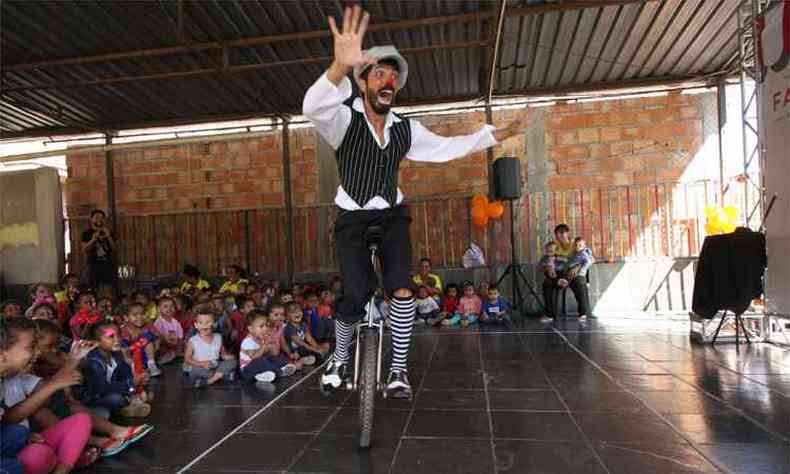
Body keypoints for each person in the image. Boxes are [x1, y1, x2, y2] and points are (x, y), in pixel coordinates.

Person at [304, 5, 526, 398]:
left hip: (392, 215)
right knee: (354, 293)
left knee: (402, 290)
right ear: (363, 83)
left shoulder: (406, 129)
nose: (387, 80)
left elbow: (446, 147)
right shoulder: (343, 120)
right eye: (379, 73)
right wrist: (338, 66)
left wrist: (494, 136)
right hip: (352, 218)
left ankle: (399, 371)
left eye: (393, 76)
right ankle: (339, 357)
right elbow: (313, 108)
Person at [77, 322, 151, 418]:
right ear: (96, 342)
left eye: (118, 335)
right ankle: (128, 404)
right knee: (117, 400)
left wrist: (136, 382)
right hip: (96, 396)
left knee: (136, 390)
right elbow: (101, 389)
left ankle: (131, 402)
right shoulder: (94, 363)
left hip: (116, 388)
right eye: (111, 337)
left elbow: (125, 373)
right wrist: (130, 384)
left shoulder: (117, 354)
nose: (117, 340)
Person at [541, 224, 593, 320]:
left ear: (567, 233)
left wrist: (578, 266)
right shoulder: (555, 247)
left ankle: (583, 312)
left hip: (573, 274)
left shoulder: (576, 244)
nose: (559, 236)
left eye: (562, 233)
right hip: (559, 274)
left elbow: (589, 257)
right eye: (557, 234)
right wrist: (549, 267)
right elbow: (546, 259)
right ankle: (549, 314)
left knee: (580, 281)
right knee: (547, 283)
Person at [183, 306, 237, 388]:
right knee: (194, 370)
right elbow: (187, 358)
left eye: (208, 322)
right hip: (201, 367)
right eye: (200, 323)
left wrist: (227, 357)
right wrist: (201, 363)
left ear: (215, 324)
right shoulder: (193, 341)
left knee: (233, 362)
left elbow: (223, 354)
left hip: (215, 365)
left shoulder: (218, 337)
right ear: (196, 325)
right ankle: (222, 376)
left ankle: (211, 379)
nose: (204, 325)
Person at [239, 311, 297, 383]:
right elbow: (254, 357)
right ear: (250, 329)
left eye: (266, 325)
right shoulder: (248, 341)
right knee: (262, 361)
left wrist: (271, 344)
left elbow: (275, 353)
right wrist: (265, 345)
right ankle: (280, 372)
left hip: (259, 367)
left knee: (275, 357)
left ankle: (262, 375)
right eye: (261, 326)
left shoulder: (261, 338)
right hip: (247, 370)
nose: (265, 328)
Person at [80, 210, 118, 295]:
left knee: (109, 289)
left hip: (108, 264)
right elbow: (84, 249)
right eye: (96, 218)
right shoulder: (86, 233)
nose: (99, 220)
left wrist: (108, 236)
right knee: (93, 289)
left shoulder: (109, 232)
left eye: (101, 218)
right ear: (91, 219)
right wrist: (93, 239)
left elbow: (115, 249)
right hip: (93, 265)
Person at [152, 296, 184, 365]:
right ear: (159, 309)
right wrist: (166, 338)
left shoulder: (176, 322)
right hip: (163, 346)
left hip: (174, 345)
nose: (169, 309)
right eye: (165, 306)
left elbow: (180, 337)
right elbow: (157, 337)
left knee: (184, 344)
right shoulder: (159, 321)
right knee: (159, 342)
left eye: (171, 306)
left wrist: (179, 346)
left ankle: (176, 354)